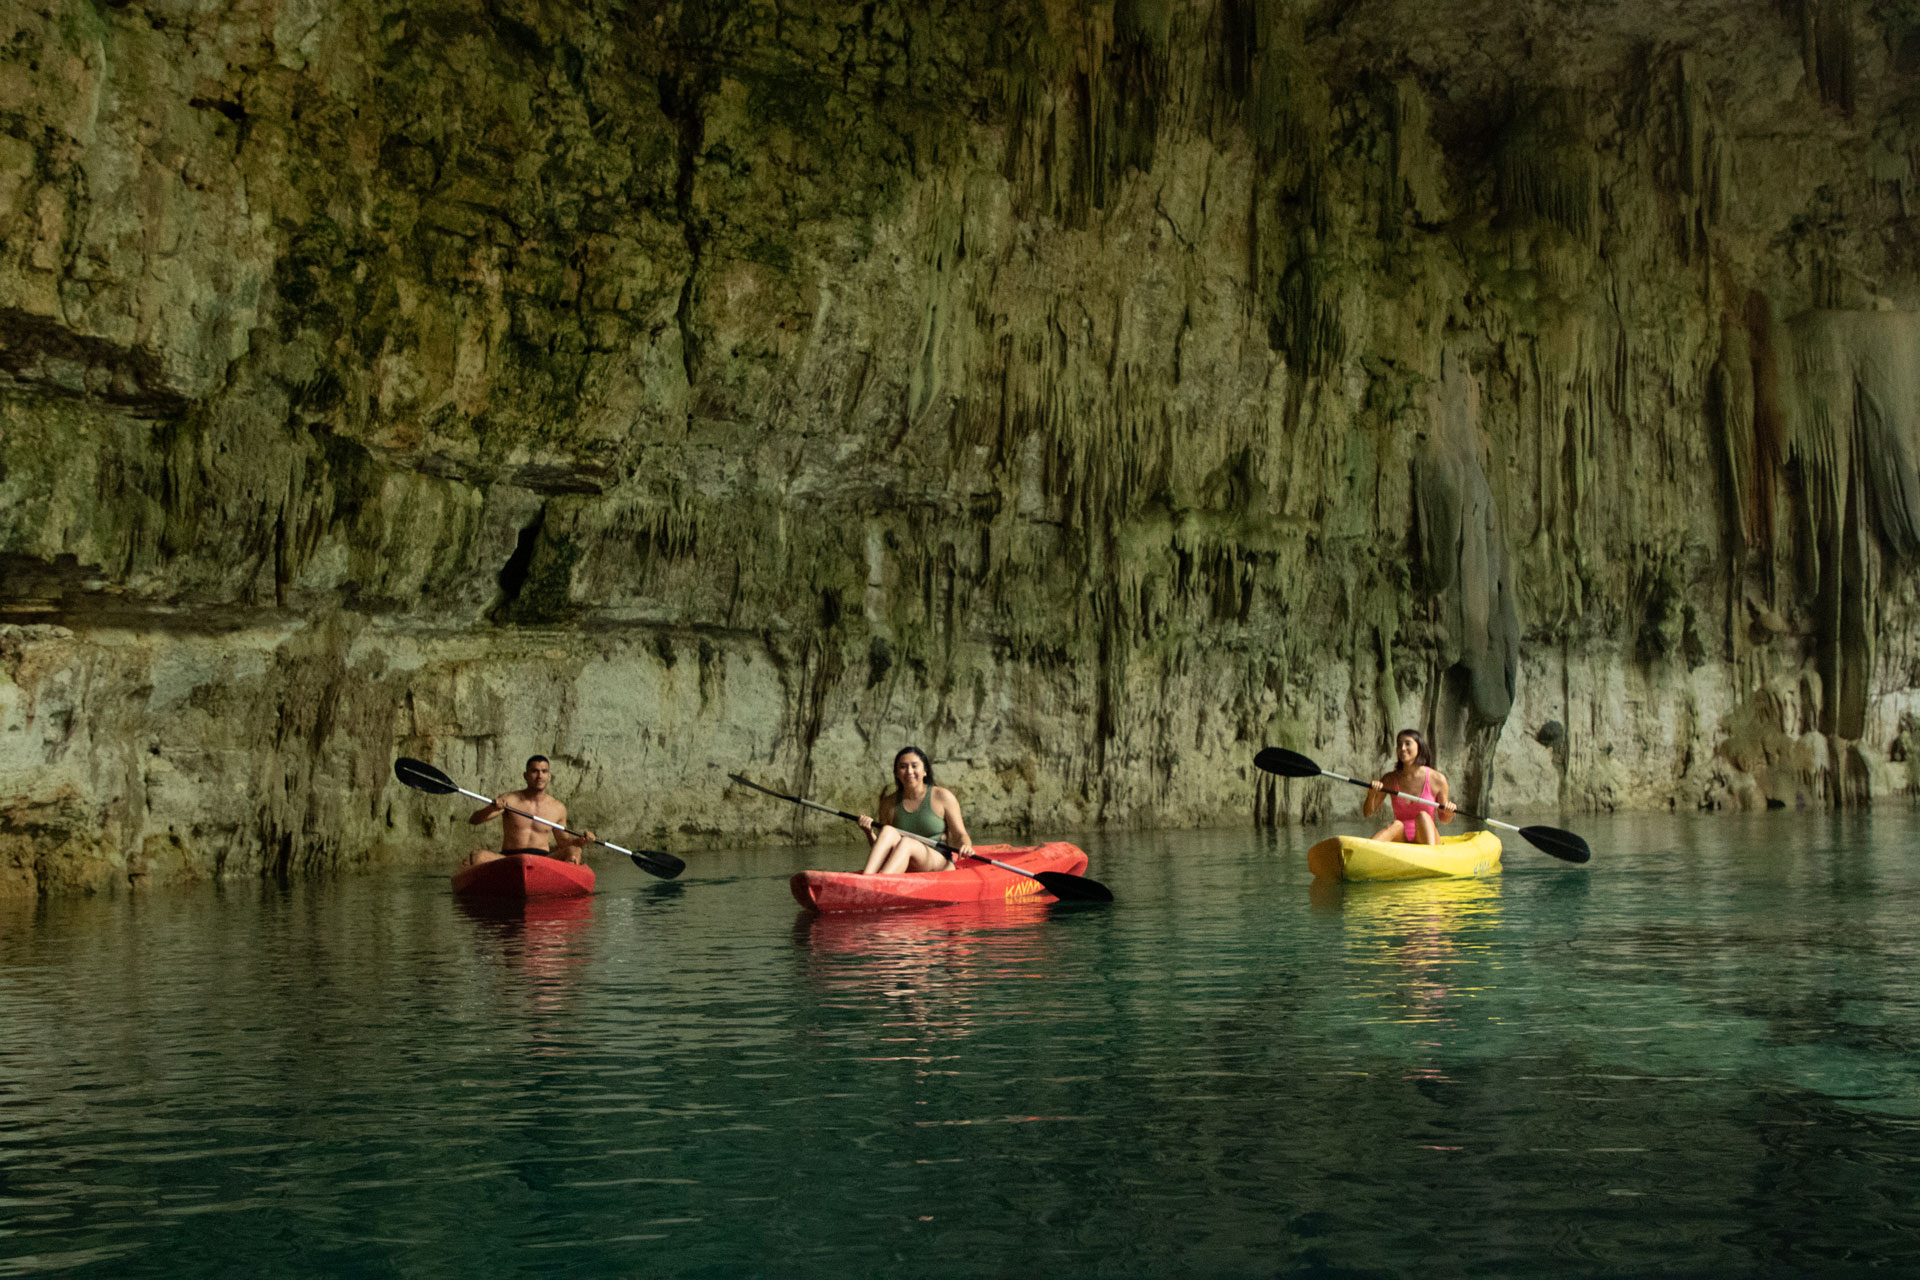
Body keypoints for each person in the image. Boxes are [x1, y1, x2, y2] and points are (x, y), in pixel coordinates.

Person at [856, 746, 974, 874]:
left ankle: (878, 882)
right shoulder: (888, 803)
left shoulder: (942, 796)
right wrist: (869, 832)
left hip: (938, 859)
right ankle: (866, 878)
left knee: (907, 843)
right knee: (888, 831)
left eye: (914, 766)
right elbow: (882, 851)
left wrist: (966, 846)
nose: (909, 771)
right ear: (896, 773)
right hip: (903, 858)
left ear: (925, 771)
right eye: (903, 767)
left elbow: (960, 835)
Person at [461, 755, 595, 867]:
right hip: (510, 857)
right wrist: (492, 808)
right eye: (534, 771)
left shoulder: (558, 808)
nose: (539, 776)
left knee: (574, 851)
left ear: (549, 776)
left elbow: (563, 842)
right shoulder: (509, 800)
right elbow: (474, 820)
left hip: (543, 859)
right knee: (477, 857)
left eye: (544, 771)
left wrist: (581, 841)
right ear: (525, 775)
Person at [1361, 729, 1456, 845]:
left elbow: (1444, 819)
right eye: (1399, 744)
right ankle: (1367, 850)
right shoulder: (1390, 779)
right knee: (1397, 824)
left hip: (1427, 839)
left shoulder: (1437, 779)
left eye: (1407, 743)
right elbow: (1368, 813)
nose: (1402, 748)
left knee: (1423, 816)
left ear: (1419, 747)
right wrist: (1371, 794)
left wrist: (1449, 812)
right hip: (1403, 840)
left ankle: (1431, 856)